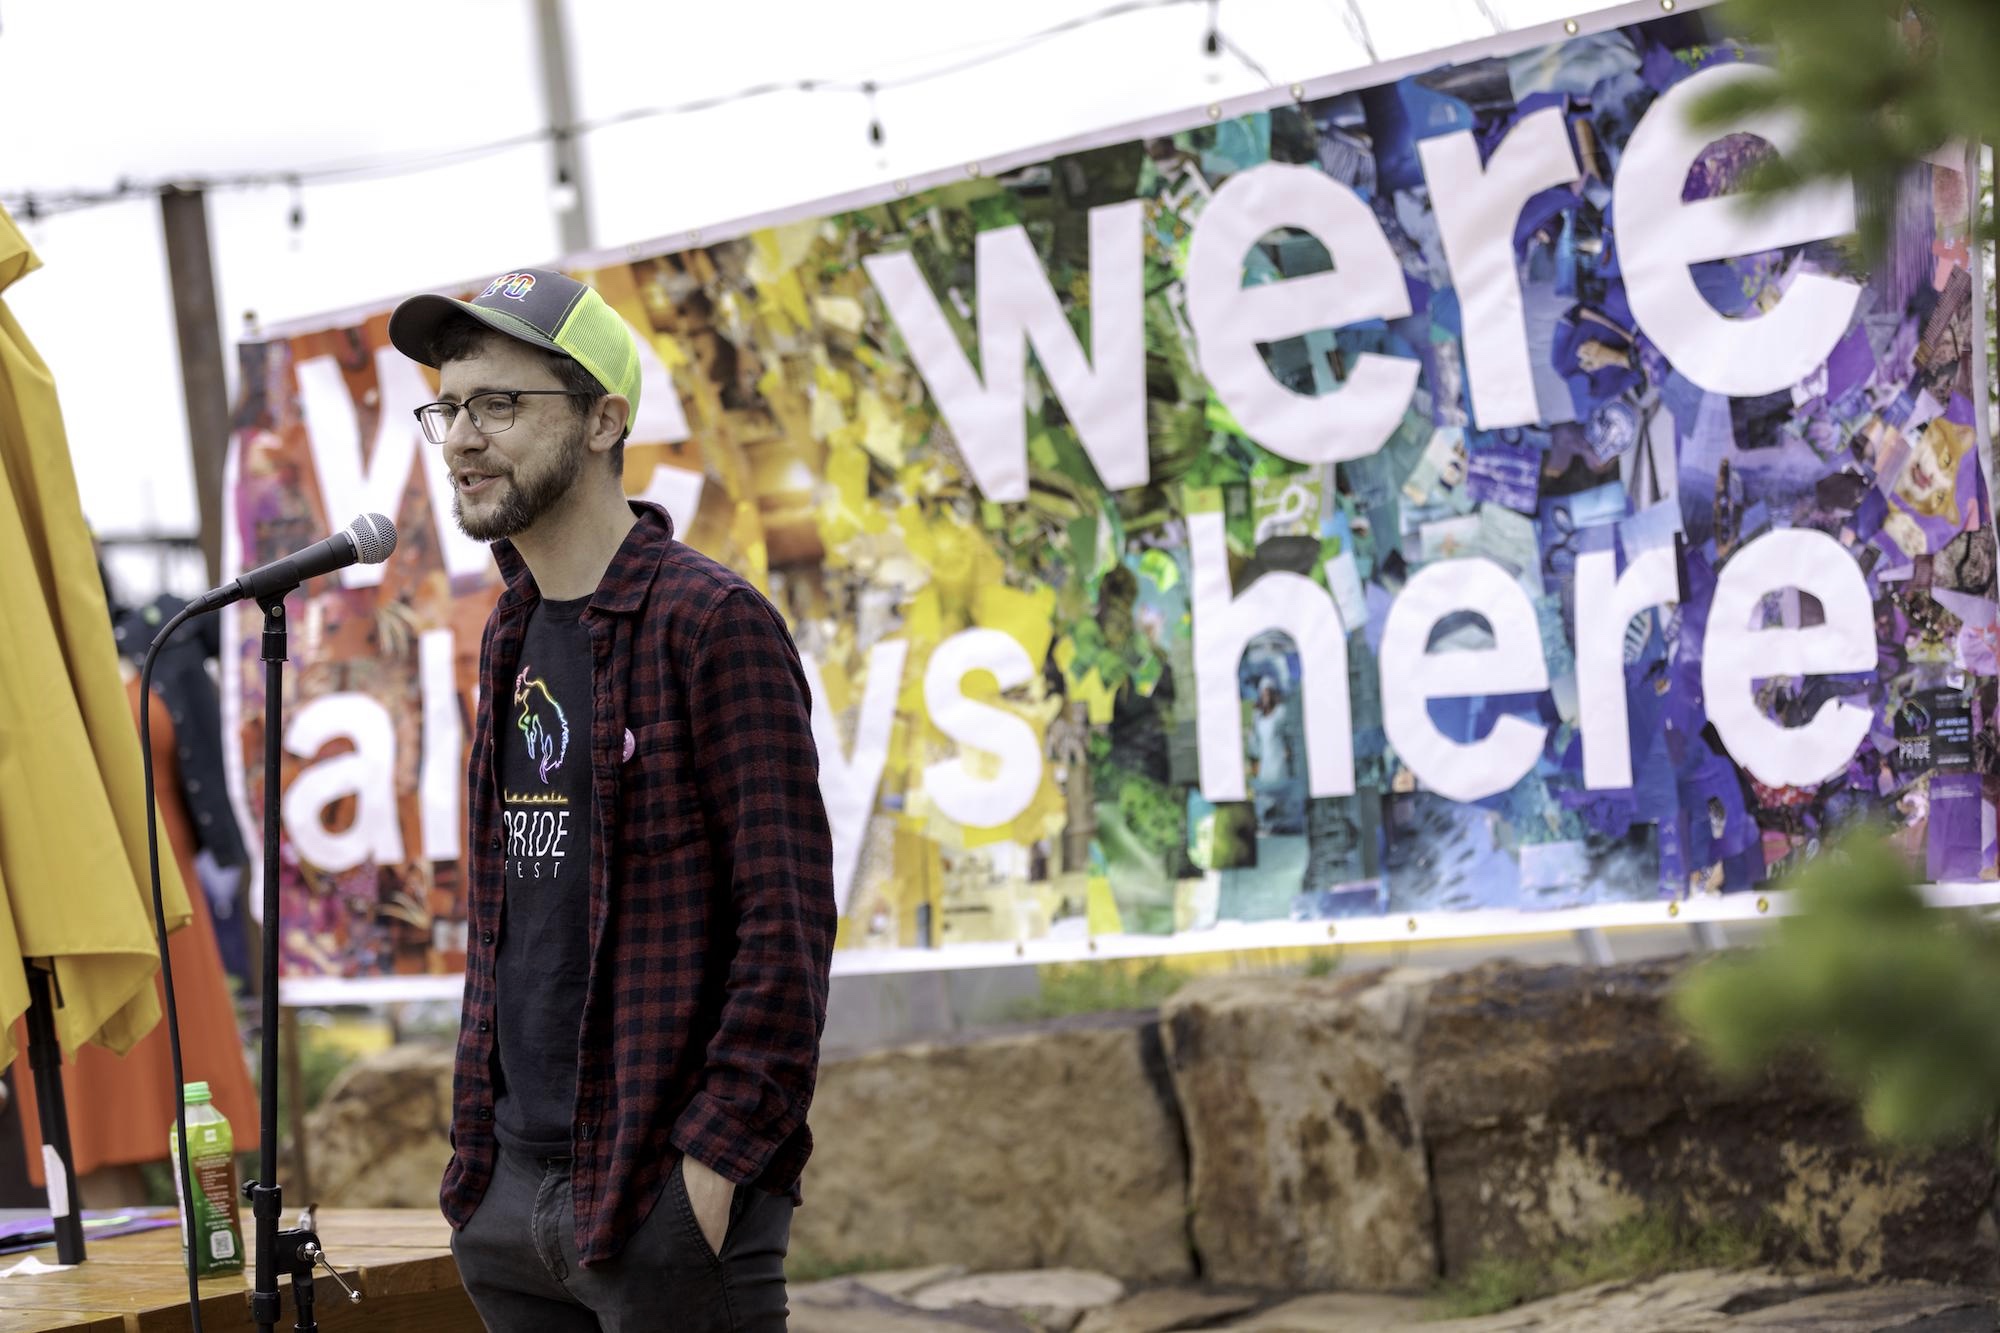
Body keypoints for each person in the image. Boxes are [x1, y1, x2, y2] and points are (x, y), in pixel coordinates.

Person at [388, 268, 836, 1332]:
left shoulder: (710, 623)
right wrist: (476, 1174)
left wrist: (711, 1172)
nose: (460, 437)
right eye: (447, 407)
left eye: (499, 403)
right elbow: (512, 919)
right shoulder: (510, 628)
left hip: (657, 1199)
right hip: (509, 1197)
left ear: (604, 418)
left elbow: (786, 927)